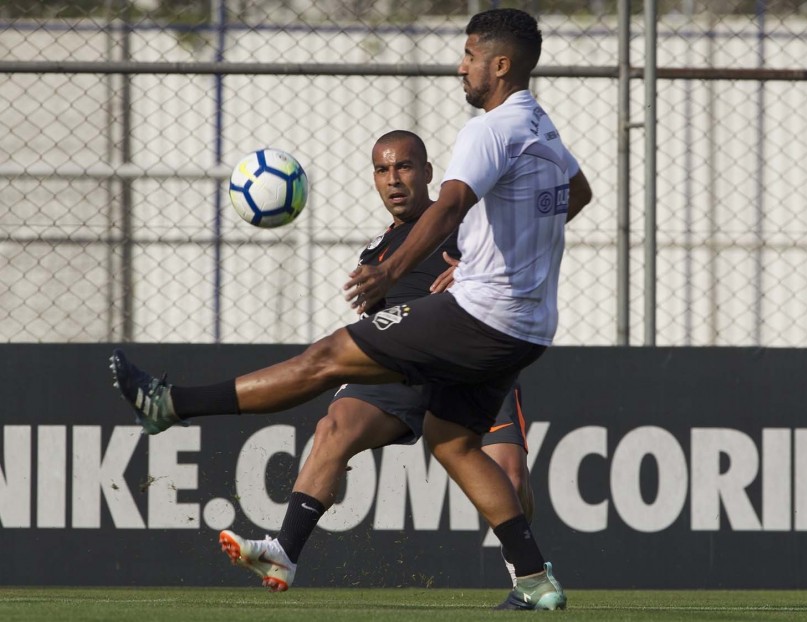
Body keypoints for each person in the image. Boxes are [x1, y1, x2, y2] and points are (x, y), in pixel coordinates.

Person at [111, 8, 591, 611]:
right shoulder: (542, 129)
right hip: (528, 325)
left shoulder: (488, 130)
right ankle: (534, 579)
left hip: (482, 315)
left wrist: (392, 271)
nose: (461, 66)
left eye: (469, 55)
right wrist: (503, 255)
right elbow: (577, 194)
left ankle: (169, 403)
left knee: (327, 357)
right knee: (450, 440)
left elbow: (447, 209)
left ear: (499, 64)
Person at [217, 129, 536, 591]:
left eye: (404, 167)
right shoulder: (377, 248)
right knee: (335, 426)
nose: (394, 179)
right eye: (383, 170)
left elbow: (524, 255)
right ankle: (284, 552)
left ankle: (525, 572)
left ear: (427, 173)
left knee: (508, 475)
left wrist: (473, 273)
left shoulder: (464, 220)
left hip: (471, 359)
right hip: (402, 362)